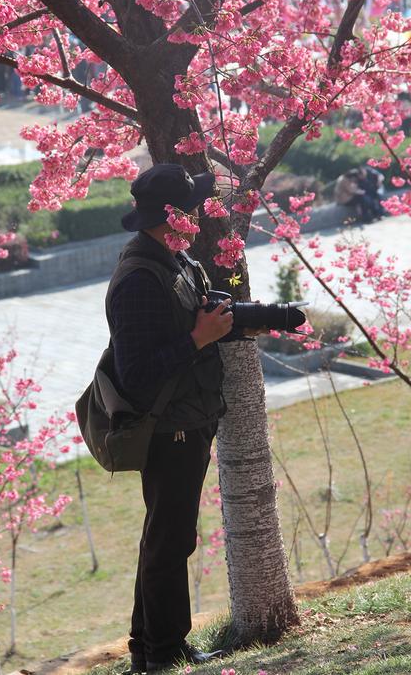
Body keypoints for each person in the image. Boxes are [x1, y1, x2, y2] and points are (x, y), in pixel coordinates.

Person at [106, 163, 233, 673]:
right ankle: (162, 653)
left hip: (187, 420)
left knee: (167, 537)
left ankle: (150, 647)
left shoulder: (171, 259)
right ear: (170, 218)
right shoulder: (139, 279)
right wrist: (198, 338)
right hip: (167, 429)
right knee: (170, 540)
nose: (199, 217)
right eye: (191, 210)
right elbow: (135, 374)